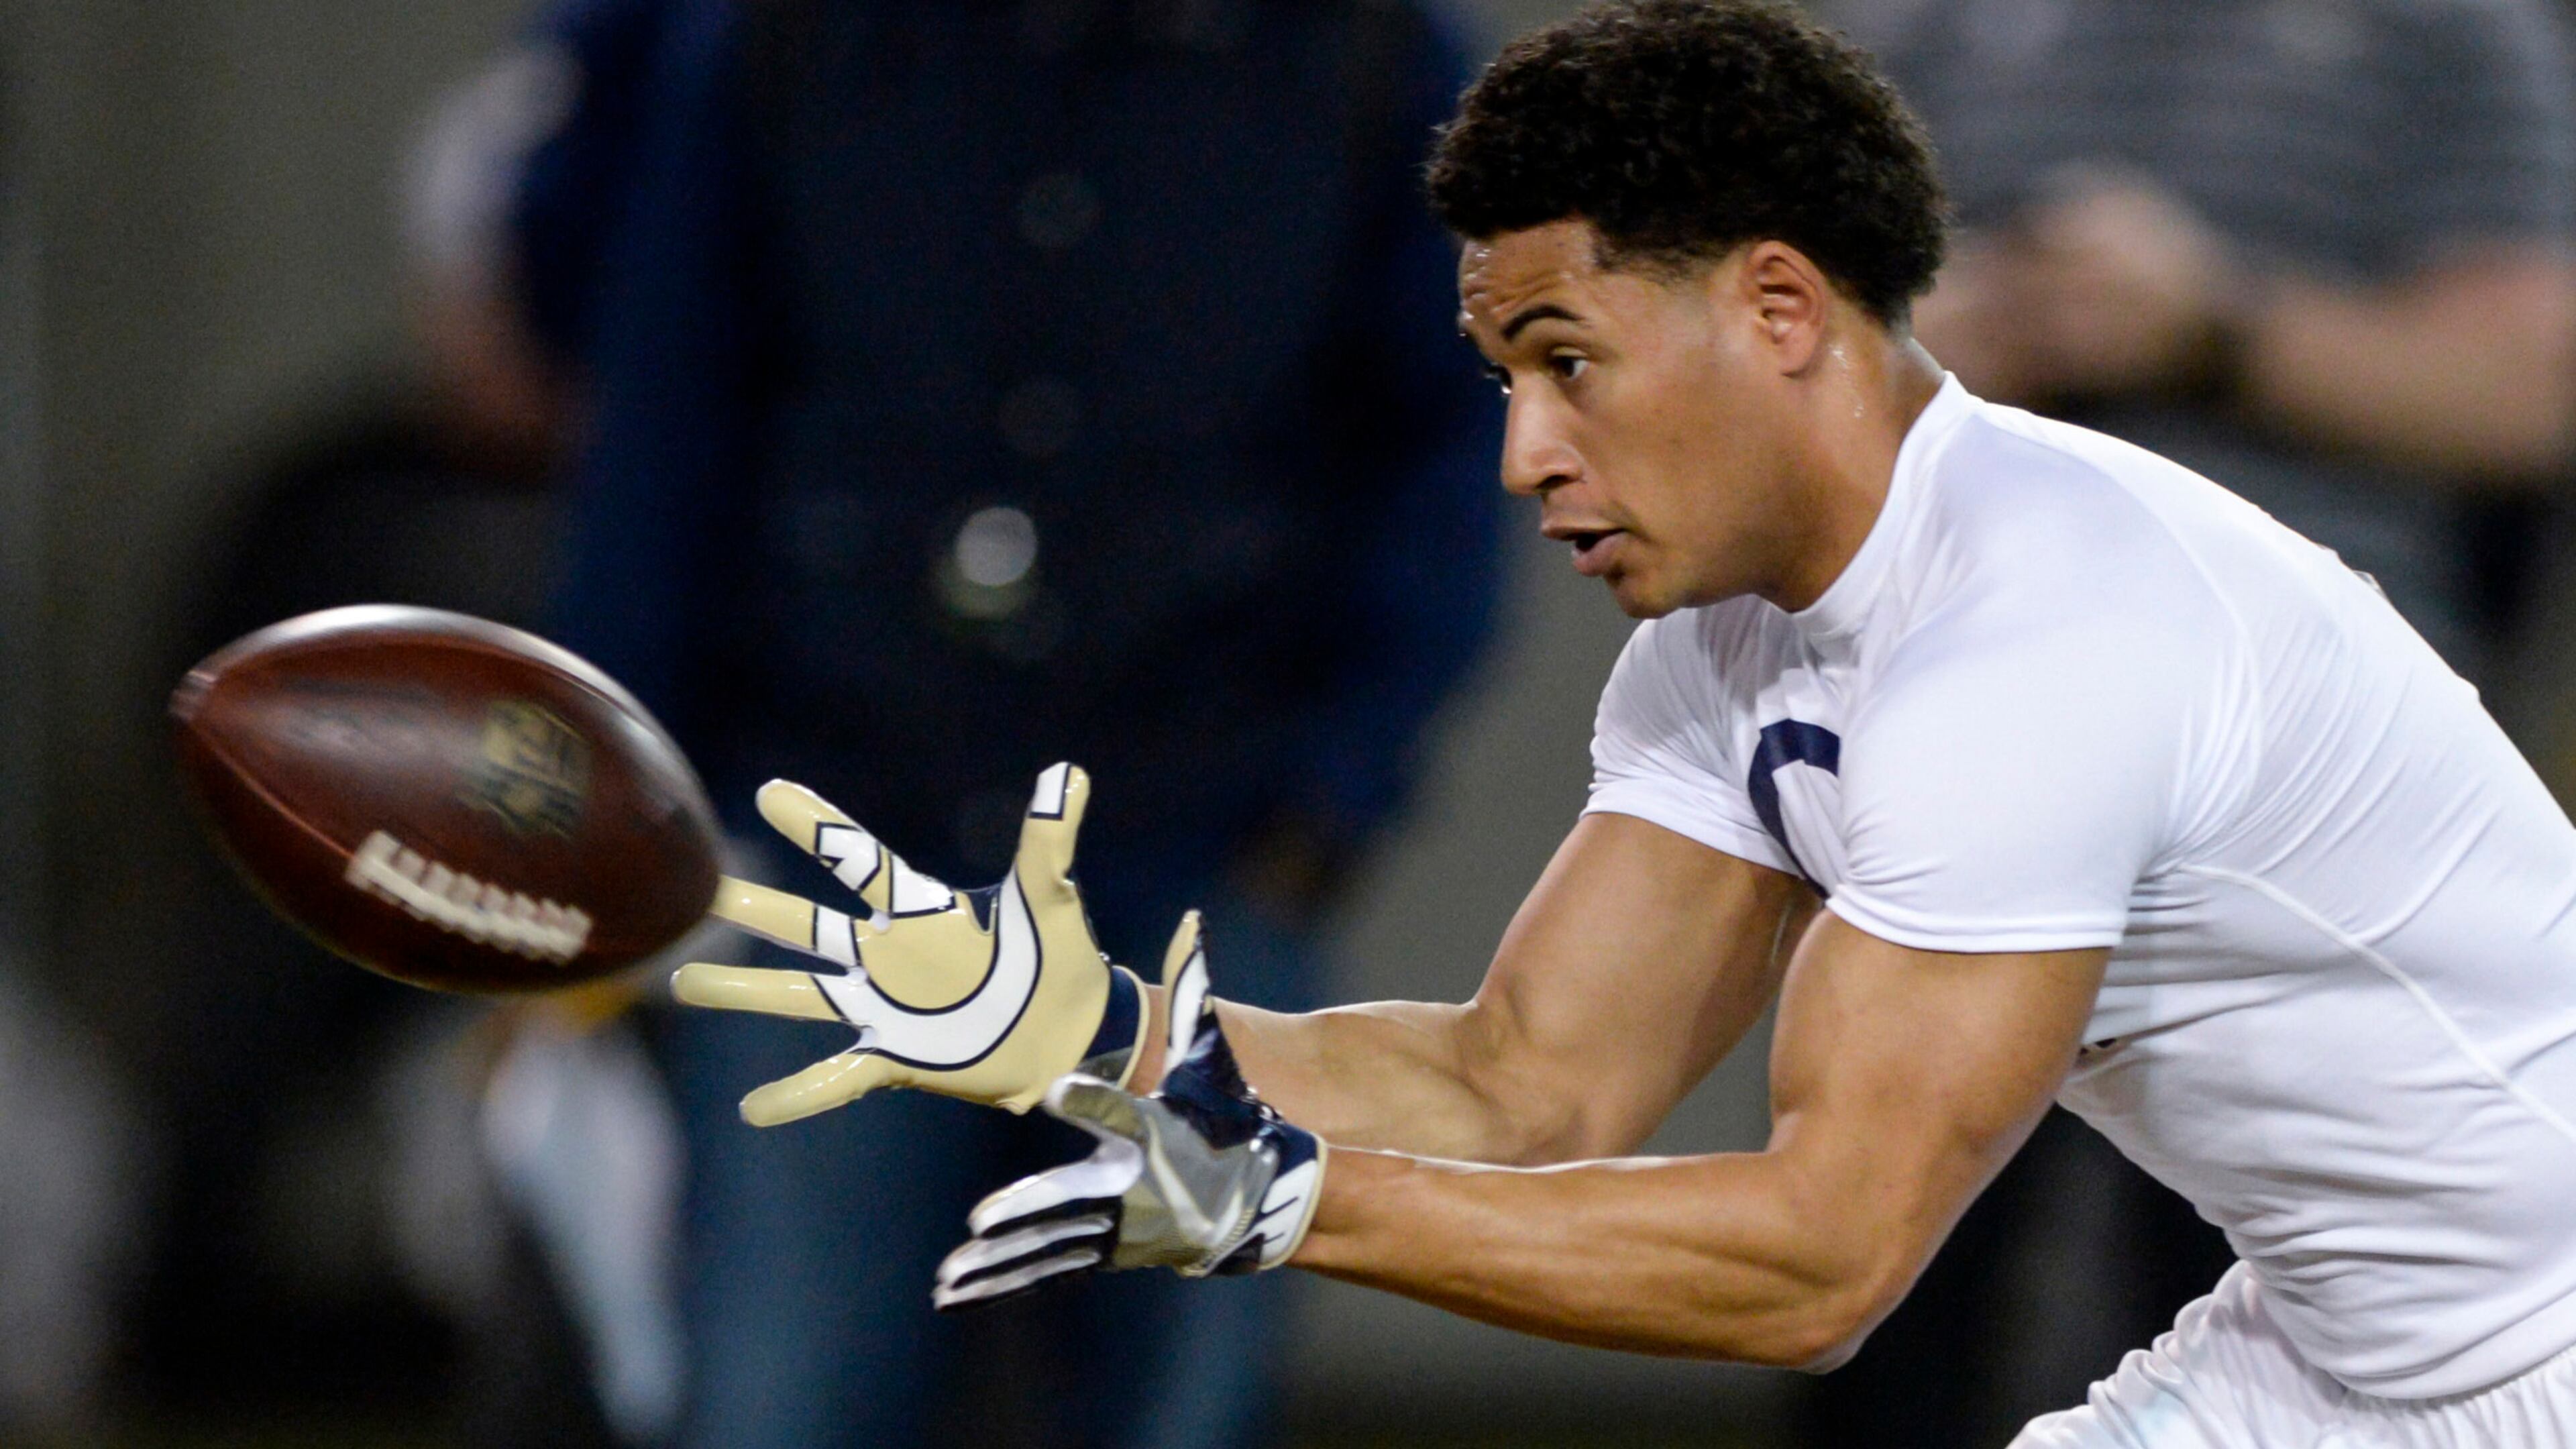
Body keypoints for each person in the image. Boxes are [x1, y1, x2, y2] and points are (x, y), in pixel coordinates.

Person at [684, 3, 2576, 1444]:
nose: (1522, 455)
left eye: (1567, 364)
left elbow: (1819, 1264)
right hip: (2335, 1340)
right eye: (1503, 376)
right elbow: (1527, 1082)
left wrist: (1292, 1204)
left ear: (1776, 310)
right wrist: (1078, 1032)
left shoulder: (2037, 633)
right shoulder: (1731, 634)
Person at [494, 0, 1507, 1443]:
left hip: (1198, 849)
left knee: (1177, 1407)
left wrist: (1328, 803)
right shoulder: (779, 46)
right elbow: (660, 419)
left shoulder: (1363, 55)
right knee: (788, 1392)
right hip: (827, 840)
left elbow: (1451, 440)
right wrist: (595, 817)